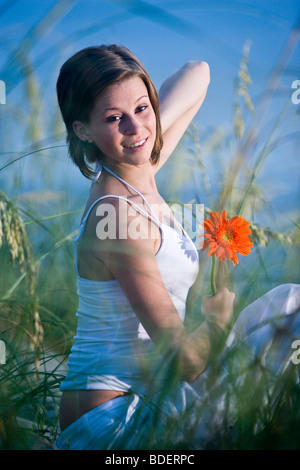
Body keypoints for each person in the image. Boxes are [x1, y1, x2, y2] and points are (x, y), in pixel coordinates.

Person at [55, 45, 300, 450]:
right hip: (115, 426)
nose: (135, 129)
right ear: (82, 130)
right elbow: (186, 363)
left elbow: (197, 72)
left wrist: (140, 121)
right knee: (291, 311)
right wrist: (218, 321)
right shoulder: (117, 218)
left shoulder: (138, 170)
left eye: (142, 108)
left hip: (150, 396)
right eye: (114, 118)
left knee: (290, 303)